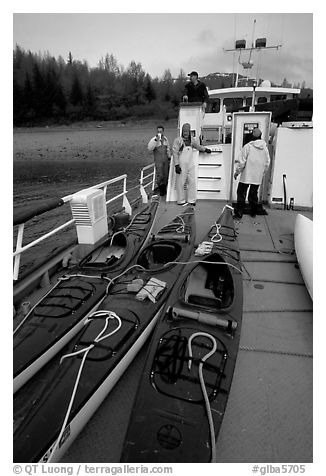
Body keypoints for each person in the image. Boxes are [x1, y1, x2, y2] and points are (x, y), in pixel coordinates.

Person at [233, 127, 270, 218]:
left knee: (241, 193)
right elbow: (267, 163)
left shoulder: (248, 146)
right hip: (257, 176)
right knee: (253, 194)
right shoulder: (265, 148)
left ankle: (239, 212)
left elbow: (242, 162)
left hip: (246, 175)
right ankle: (253, 212)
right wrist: (262, 173)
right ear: (260, 136)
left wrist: (237, 172)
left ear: (252, 136)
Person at [172, 123, 211, 205]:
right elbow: (175, 153)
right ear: (182, 131)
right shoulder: (178, 140)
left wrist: (205, 149)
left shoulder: (192, 140)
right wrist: (176, 165)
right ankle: (181, 200)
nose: (185, 133)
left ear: (189, 132)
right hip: (181, 164)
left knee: (192, 181)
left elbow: (198, 146)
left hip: (190, 164)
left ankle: (191, 200)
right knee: (180, 182)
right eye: (184, 131)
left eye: (187, 131)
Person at [148, 125, 171, 196]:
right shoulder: (153, 139)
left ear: (163, 131)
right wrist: (156, 140)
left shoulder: (166, 139)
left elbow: (168, 149)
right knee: (160, 175)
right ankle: (161, 190)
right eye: (158, 131)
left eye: (161, 131)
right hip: (158, 161)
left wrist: (169, 157)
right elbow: (150, 148)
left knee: (166, 175)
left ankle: (164, 189)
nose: (159, 133)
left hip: (166, 160)